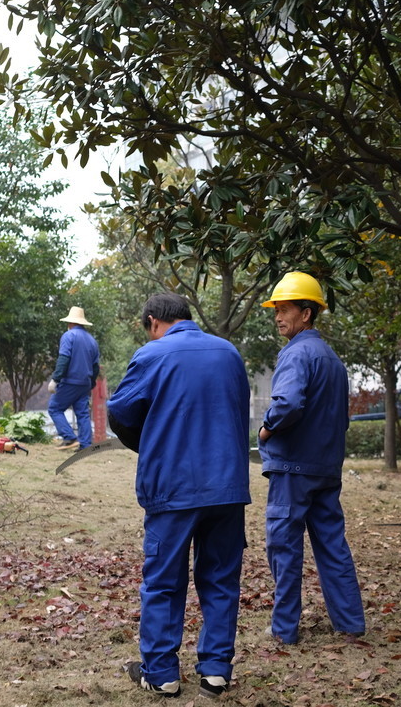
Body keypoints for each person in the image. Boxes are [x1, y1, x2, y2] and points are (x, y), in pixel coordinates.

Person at [107, 293, 250, 699]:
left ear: (154, 321)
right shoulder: (229, 354)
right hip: (227, 486)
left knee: (164, 582)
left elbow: (120, 412)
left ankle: (162, 673)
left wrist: (149, 442)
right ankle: (216, 671)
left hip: (173, 488)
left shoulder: (153, 355)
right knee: (221, 578)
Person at [257, 271, 365, 645]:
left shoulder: (296, 353)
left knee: (284, 549)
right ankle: (350, 622)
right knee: (333, 546)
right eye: (277, 309)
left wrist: (266, 430)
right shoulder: (333, 361)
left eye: (284, 308)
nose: (277, 316)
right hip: (325, 469)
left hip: (293, 470)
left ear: (307, 313)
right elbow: (341, 418)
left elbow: (286, 404)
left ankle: (285, 630)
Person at [48, 306, 100, 450]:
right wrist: (91, 383)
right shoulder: (92, 340)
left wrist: (55, 379)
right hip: (85, 383)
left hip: (70, 381)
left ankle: (69, 437)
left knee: (54, 408)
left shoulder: (68, 336)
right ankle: (85, 444)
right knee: (82, 413)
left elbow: (64, 359)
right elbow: (95, 367)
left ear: (70, 323)